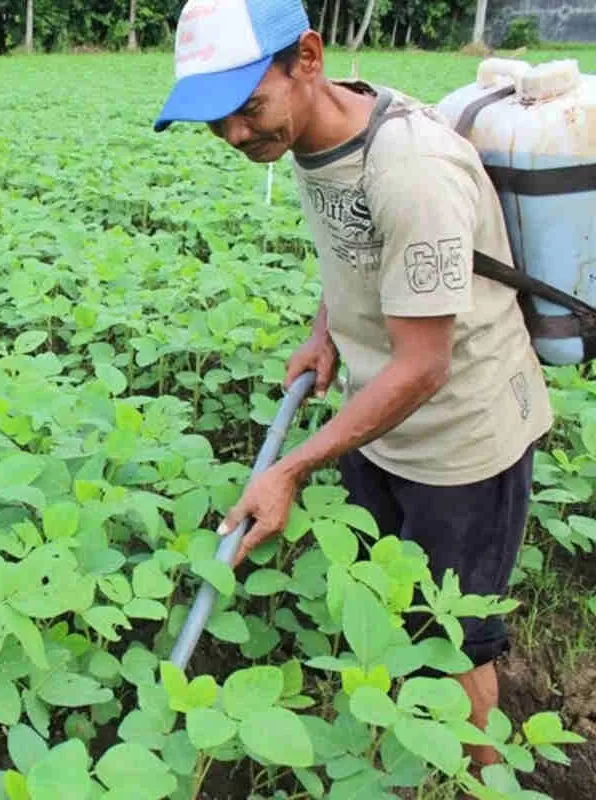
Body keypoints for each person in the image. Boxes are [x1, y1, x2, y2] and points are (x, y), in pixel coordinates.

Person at [153, 0, 554, 786]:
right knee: (390, 608)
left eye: (248, 107)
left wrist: (289, 468)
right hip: (381, 423)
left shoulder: (411, 167)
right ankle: (400, 740)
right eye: (216, 120)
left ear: (308, 57)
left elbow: (425, 365)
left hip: (462, 441)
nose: (236, 135)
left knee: (454, 645)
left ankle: (478, 779)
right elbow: (357, 252)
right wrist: (325, 329)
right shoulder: (309, 137)